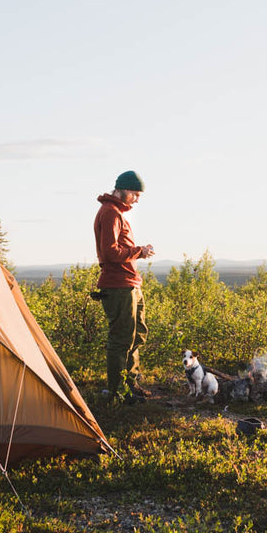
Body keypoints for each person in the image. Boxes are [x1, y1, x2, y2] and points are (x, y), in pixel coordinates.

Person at [94, 170, 155, 403]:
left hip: (129, 283)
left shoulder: (117, 212)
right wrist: (140, 251)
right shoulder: (110, 213)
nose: (137, 200)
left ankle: (130, 385)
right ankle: (117, 392)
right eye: (135, 194)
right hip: (118, 285)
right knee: (121, 339)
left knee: (137, 333)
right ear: (123, 190)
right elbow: (110, 252)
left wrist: (138, 252)